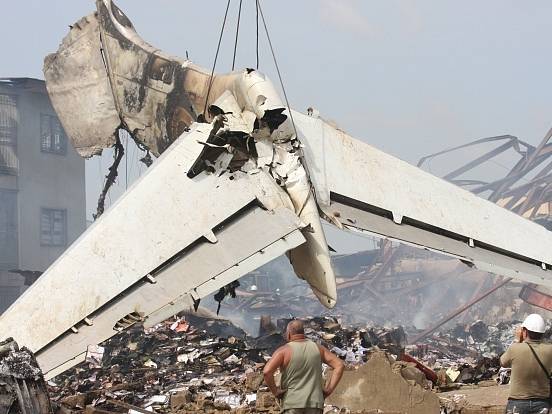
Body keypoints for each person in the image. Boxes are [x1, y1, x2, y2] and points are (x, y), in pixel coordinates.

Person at [263, 320, 344, 414]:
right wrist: (329, 389)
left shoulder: (284, 351)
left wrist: (276, 392)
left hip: (292, 403)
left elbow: (267, 372)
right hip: (315, 404)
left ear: (289, 333)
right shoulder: (318, 348)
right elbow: (339, 365)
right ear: (303, 332)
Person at [500, 313, 552, 414]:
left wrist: (518, 340)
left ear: (525, 331)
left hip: (517, 404)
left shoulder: (515, 348)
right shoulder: (550, 349)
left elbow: (502, 362)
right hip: (542, 403)